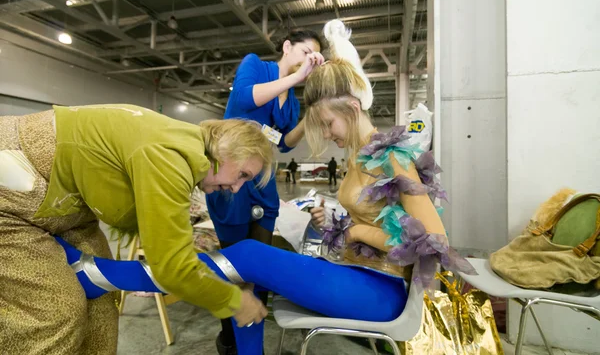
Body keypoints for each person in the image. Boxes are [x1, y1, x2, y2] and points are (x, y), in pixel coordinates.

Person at [55, 21, 476, 355]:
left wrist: (360, 232)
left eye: (328, 124)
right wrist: (333, 221)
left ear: (350, 107)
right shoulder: (359, 157)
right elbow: (371, 218)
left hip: (381, 292)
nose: (328, 136)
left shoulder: (391, 156)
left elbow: (434, 239)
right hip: (359, 277)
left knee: (252, 256)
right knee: (250, 276)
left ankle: (101, 276)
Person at [0, 104, 273, 355]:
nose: (237, 188)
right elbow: (172, 267)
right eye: (242, 175)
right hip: (13, 189)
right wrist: (235, 301)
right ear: (226, 150)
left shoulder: (179, 147)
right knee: (56, 311)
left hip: (66, 205)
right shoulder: (171, 156)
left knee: (103, 301)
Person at [205, 29, 324, 353]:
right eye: (305, 52)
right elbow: (245, 99)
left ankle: (250, 335)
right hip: (231, 179)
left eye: (314, 56)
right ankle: (230, 339)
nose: (308, 60)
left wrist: (310, 117)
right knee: (234, 266)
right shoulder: (256, 66)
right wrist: (297, 74)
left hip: (263, 183)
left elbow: (282, 143)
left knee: (258, 267)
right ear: (287, 47)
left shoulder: (292, 99)